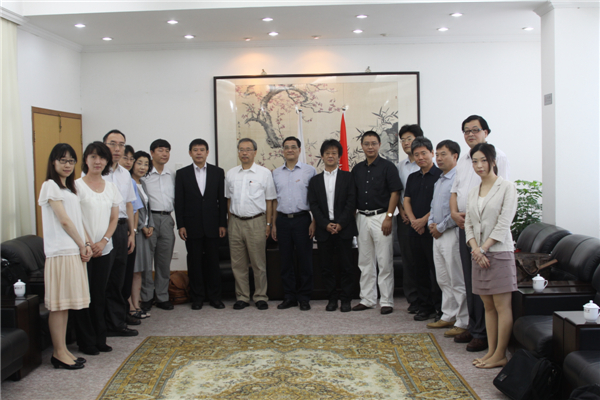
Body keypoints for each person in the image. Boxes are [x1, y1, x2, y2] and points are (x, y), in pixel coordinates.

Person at [450, 115, 510, 352]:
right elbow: (455, 191)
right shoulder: (464, 160)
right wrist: (454, 214)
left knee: (488, 285)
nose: (470, 134)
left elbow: (502, 199)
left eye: (475, 130)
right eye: (466, 131)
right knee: (471, 281)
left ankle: (483, 334)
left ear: (486, 132)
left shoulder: (499, 156)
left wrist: (483, 245)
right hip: (467, 229)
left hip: (488, 234)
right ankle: (475, 325)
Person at [38, 144, 91, 369]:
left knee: (66, 304)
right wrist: (82, 244)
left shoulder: (69, 189)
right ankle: (58, 352)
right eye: (63, 160)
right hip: (61, 252)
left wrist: (86, 244)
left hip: (73, 250)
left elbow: (77, 220)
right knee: (59, 305)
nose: (68, 165)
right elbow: (64, 221)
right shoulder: (49, 185)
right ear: (53, 162)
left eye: (71, 161)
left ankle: (63, 350)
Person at [464, 143, 517, 369]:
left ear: (493, 161)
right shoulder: (473, 191)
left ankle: (501, 354)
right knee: (488, 307)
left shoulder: (507, 187)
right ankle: (491, 352)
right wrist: (475, 249)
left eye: (483, 160)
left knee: (502, 306)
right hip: (479, 254)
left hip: (499, 252)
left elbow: (504, 223)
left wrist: (483, 248)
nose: (479, 165)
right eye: (475, 161)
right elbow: (468, 224)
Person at [73, 142, 121, 355]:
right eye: (93, 157)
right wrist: (88, 243)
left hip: (104, 249)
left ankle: (100, 338)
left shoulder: (111, 187)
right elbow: (75, 218)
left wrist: (103, 241)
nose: (97, 161)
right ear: (86, 160)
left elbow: (114, 218)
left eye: (102, 157)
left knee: (99, 294)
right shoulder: (76, 186)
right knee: (84, 296)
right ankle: (86, 341)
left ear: (107, 161)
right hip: (82, 250)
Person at [351, 131, 402, 314]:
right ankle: (368, 299)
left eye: (373, 143)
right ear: (362, 146)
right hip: (362, 217)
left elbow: (395, 192)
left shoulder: (388, 167)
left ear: (379, 145)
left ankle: (386, 301)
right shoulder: (357, 169)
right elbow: (353, 195)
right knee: (365, 261)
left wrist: (389, 217)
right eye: (366, 143)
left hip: (382, 217)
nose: (370, 147)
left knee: (384, 261)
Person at [175, 139, 227, 310]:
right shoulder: (182, 174)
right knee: (194, 263)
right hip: (191, 225)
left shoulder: (217, 172)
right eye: (195, 150)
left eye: (202, 150)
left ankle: (215, 297)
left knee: (213, 262)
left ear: (207, 152)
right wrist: (181, 225)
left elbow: (222, 200)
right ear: (190, 153)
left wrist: (222, 223)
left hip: (213, 225)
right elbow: (179, 201)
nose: (198, 153)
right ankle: (197, 298)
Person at [225, 138, 276, 310]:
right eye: (241, 149)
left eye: (248, 149)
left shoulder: (264, 173)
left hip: (257, 222)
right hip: (235, 222)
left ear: (255, 152)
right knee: (238, 264)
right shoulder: (231, 174)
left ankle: (260, 296)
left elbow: (270, 200)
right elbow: (228, 199)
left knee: (258, 263)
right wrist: (229, 221)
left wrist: (268, 224)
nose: (244, 153)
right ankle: (242, 297)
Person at [308, 139, 357, 312]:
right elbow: (313, 205)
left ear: (339, 156)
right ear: (322, 156)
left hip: (344, 229)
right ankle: (332, 298)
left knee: (347, 266)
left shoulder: (348, 177)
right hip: (324, 230)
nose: (330, 156)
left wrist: (340, 224)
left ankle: (346, 299)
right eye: (327, 153)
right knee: (326, 267)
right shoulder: (314, 181)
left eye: (334, 153)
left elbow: (351, 202)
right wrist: (325, 224)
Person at [426, 140, 468, 338]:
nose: (439, 158)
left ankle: (463, 320)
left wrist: (440, 227)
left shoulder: (459, 178)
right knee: (443, 278)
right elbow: (433, 206)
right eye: (437, 154)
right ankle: (448, 315)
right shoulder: (440, 179)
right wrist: (431, 224)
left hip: (451, 233)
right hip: (437, 234)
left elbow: (458, 210)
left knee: (456, 279)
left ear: (455, 156)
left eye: (443, 154)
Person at [100, 130, 138, 337]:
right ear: (104, 145)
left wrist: (132, 233)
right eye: (112, 144)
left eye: (121, 144)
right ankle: (104, 323)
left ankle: (117, 320)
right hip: (102, 228)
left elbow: (129, 205)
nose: (117, 148)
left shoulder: (125, 174)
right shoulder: (97, 170)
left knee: (119, 276)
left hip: (122, 227)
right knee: (104, 277)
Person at [272, 136, 317, 311]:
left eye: (293, 147)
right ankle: (289, 296)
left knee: (305, 260)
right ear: (282, 151)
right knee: (285, 261)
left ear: (299, 150)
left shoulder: (309, 171)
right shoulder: (276, 173)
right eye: (286, 147)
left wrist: (314, 221)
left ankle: (304, 297)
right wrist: (273, 224)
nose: (289, 150)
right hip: (282, 220)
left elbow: (315, 199)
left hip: (302, 220)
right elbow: (274, 200)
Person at [403, 137, 442, 321]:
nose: (420, 157)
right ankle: (424, 307)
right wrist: (413, 221)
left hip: (433, 230)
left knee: (436, 271)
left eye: (424, 153)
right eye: (416, 154)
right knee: (419, 270)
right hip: (414, 230)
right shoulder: (412, 177)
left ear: (432, 153)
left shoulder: (440, 175)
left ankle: (440, 308)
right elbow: (407, 201)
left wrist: (423, 221)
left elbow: (440, 203)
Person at [141, 139, 176, 311]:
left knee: (164, 261)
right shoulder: (144, 174)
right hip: (149, 219)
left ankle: (162, 296)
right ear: (152, 153)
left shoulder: (172, 174)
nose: (164, 154)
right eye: (160, 150)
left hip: (167, 218)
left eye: (167, 151)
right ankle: (146, 297)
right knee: (147, 261)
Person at [396, 124, 423, 314]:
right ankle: (413, 300)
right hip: (405, 219)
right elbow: (397, 192)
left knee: (425, 260)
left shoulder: (428, 163)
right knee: (408, 261)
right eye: (403, 140)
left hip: (424, 218)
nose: (405, 143)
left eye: (409, 139)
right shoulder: (400, 166)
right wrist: (400, 210)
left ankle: (428, 300)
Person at [118, 145, 144, 326]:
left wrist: (132, 232)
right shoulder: (107, 177)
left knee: (127, 273)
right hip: (111, 230)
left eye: (130, 159)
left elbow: (133, 208)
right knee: (118, 275)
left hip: (128, 231)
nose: (128, 162)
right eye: (125, 158)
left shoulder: (129, 180)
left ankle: (126, 310)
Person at [128, 151, 154, 319]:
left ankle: (137, 305)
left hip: (144, 232)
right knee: (132, 270)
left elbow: (147, 208)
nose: (143, 167)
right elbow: (131, 210)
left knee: (139, 271)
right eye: (139, 163)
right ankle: (130, 306)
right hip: (134, 232)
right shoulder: (127, 182)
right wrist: (140, 226)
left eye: (146, 164)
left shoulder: (142, 183)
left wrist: (150, 225)